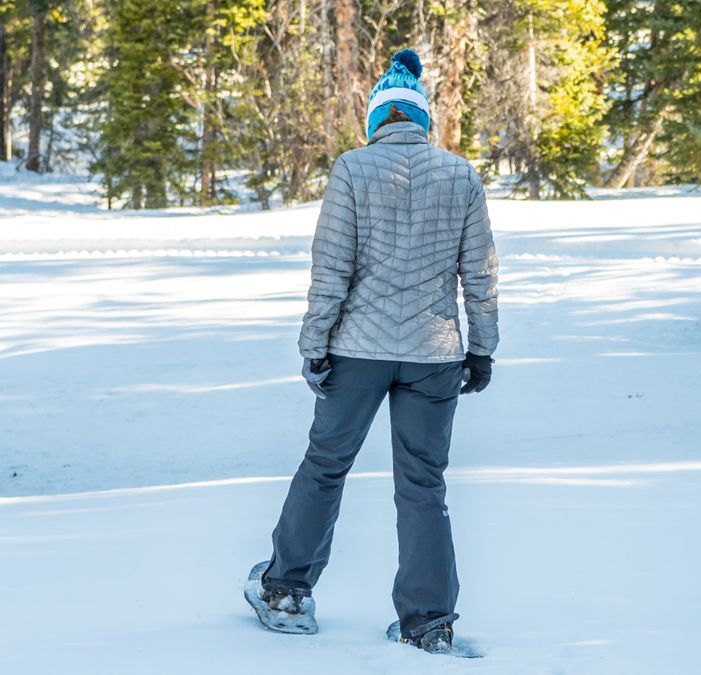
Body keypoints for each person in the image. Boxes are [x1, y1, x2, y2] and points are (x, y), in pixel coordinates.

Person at [242, 48, 499, 655]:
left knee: (325, 465)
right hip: (434, 354)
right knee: (423, 484)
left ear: (377, 118)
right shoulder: (461, 175)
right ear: (422, 119)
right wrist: (482, 349)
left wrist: (314, 344)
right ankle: (428, 623)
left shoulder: (352, 169)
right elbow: (480, 275)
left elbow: (331, 268)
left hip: (357, 350)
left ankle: (286, 593)